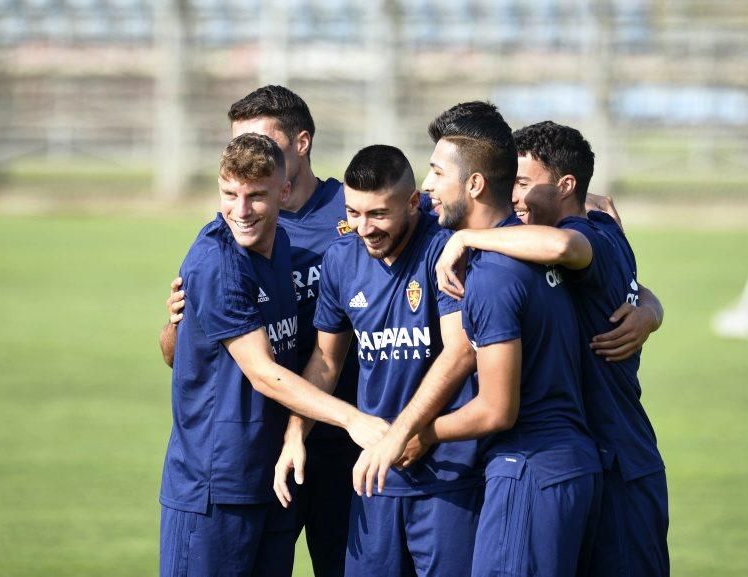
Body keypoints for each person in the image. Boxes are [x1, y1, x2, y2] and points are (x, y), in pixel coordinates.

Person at [353, 103, 603, 577]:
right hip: (570, 469)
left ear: (474, 184)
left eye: (435, 172)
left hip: (529, 469)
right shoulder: (532, 244)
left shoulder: (490, 278)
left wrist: (412, 434)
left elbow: (496, 409)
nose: (427, 186)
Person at [434, 120, 669, 576]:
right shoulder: (600, 223)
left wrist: (466, 237)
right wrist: (649, 306)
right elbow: (600, 212)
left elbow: (564, 243)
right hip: (585, 463)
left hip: (621, 462)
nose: (515, 197)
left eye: (523, 184)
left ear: (565, 185)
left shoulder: (590, 238)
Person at [159, 85, 361, 577]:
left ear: (300, 145)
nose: (249, 158)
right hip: (241, 463)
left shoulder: (350, 216)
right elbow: (189, 352)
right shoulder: (223, 251)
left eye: (262, 144)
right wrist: (179, 324)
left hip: (337, 454)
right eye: (237, 150)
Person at [275, 144, 483, 577]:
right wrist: (296, 433)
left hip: (448, 475)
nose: (363, 228)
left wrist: (405, 432)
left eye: (378, 215)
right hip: (375, 475)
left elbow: (460, 351)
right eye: (354, 212)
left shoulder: (442, 250)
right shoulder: (340, 259)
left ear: (413, 203)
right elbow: (326, 362)